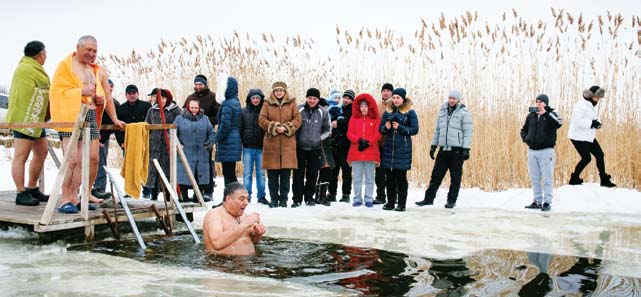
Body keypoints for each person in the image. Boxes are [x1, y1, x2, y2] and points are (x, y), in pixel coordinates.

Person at [50, 35, 124, 213]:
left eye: (95, 51)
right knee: (72, 159)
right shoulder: (66, 66)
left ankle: (76, 196)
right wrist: (80, 91)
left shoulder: (95, 69)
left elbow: (106, 95)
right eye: (88, 50)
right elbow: (56, 91)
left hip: (90, 115)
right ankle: (64, 198)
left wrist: (107, 110)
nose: (92, 54)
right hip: (72, 115)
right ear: (78, 47)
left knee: (88, 159)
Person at [7, 40, 50, 206]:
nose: (46, 57)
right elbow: (26, 93)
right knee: (21, 155)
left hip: (36, 119)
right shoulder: (24, 69)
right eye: (45, 54)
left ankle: (32, 187)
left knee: (42, 151)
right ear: (40, 55)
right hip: (23, 117)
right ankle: (20, 192)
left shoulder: (36, 69)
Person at [416, 89, 473, 209]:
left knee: (455, 177)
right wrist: (433, 146)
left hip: (456, 150)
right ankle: (428, 199)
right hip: (443, 150)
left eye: (454, 98)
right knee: (436, 175)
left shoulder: (464, 113)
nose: (451, 100)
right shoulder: (442, 111)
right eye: (450, 98)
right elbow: (438, 131)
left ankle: (451, 201)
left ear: (458, 100)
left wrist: (466, 148)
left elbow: (468, 132)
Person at [258, 81, 301, 208]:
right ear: (273, 91)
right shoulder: (267, 104)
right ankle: (274, 200)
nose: (278, 93)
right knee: (272, 176)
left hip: (288, 145)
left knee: (285, 176)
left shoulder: (292, 103)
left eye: (281, 90)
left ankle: (283, 200)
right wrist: (274, 127)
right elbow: (261, 119)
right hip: (272, 144)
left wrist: (287, 127)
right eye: (276, 90)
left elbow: (298, 119)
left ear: (285, 91)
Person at [520, 94, 563, 212]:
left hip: (546, 151)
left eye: (541, 101)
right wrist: (526, 138)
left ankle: (547, 202)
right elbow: (524, 130)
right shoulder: (531, 116)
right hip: (532, 151)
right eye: (537, 101)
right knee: (535, 177)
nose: (538, 103)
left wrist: (545, 113)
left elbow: (558, 124)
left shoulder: (552, 114)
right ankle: (537, 201)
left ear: (546, 103)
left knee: (547, 177)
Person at [567, 85, 616, 187]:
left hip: (588, 135)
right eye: (596, 97)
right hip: (577, 136)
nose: (598, 100)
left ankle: (604, 180)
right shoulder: (580, 105)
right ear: (591, 95)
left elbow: (593, 118)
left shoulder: (592, 105)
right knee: (586, 158)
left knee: (600, 155)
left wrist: (597, 123)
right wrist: (591, 123)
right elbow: (576, 121)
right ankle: (574, 178)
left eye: (599, 98)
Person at [379, 88, 419, 212]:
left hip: (403, 150)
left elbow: (415, 129)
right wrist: (385, 127)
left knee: (401, 178)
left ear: (403, 99)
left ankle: (401, 204)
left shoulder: (410, 112)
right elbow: (380, 128)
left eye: (398, 98)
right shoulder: (388, 111)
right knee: (389, 178)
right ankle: (390, 203)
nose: (396, 100)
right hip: (389, 149)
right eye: (394, 98)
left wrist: (400, 127)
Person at [203, 182, 267, 256]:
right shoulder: (214, 215)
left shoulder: (243, 215)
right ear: (229, 199)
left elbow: (252, 241)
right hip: (222, 263)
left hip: (248, 262)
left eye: (247, 199)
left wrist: (257, 234)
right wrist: (245, 224)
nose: (246, 202)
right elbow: (217, 243)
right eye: (242, 199)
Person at [292, 88, 331, 207]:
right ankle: (297, 199)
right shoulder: (299, 109)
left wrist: (319, 138)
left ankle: (309, 198)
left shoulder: (322, 112)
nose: (312, 100)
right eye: (310, 98)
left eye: (314, 98)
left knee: (312, 174)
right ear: (306, 98)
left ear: (318, 99)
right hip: (300, 148)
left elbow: (328, 129)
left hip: (315, 148)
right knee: (298, 175)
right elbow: (292, 125)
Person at [185, 74, 220, 200]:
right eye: (196, 84)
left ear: (205, 85)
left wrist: (205, 120)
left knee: (206, 164)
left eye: (200, 84)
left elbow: (218, 115)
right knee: (192, 164)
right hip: (190, 136)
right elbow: (184, 112)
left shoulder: (212, 97)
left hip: (205, 134)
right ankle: (195, 190)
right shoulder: (191, 97)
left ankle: (208, 191)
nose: (198, 86)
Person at [115, 84, 152, 197]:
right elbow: (117, 127)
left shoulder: (146, 106)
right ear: (126, 95)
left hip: (143, 141)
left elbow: (150, 123)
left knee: (145, 164)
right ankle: (130, 190)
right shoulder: (121, 108)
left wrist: (148, 139)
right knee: (130, 166)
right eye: (129, 94)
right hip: (128, 143)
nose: (131, 95)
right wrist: (121, 142)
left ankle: (146, 189)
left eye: (133, 93)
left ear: (137, 94)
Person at [145, 88, 181, 200]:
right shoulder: (152, 110)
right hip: (154, 145)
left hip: (167, 146)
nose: (162, 100)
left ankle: (169, 196)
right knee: (154, 170)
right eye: (160, 98)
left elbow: (179, 126)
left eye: (164, 98)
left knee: (168, 171)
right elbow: (147, 124)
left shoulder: (175, 110)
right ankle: (153, 195)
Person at [176, 98, 215, 202]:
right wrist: (178, 144)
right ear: (188, 107)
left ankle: (198, 195)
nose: (194, 110)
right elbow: (172, 133)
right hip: (185, 151)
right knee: (184, 173)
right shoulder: (179, 118)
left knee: (199, 174)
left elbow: (211, 132)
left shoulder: (205, 119)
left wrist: (209, 143)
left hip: (201, 152)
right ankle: (183, 195)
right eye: (192, 108)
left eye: (196, 108)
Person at [347, 93, 381, 208]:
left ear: (369, 107)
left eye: (366, 106)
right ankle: (357, 198)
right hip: (356, 151)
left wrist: (368, 143)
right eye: (361, 106)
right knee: (357, 177)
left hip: (370, 152)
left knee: (370, 177)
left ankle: (368, 198)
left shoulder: (375, 119)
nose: (363, 108)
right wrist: (358, 140)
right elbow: (349, 134)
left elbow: (378, 134)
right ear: (358, 107)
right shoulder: (353, 118)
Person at [240, 88, 269, 205]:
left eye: (258, 98)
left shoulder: (265, 112)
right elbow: (240, 128)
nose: (256, 100)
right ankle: (247, 196)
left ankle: (261, 196)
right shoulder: (243, 112)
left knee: (261, 173)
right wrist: (243, 140)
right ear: (249, 99)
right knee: (247, 173)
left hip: (262, 147)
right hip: (248, 147)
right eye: (253, 98)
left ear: (261, 99)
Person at [92, 79, 120, 200]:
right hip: (90, 135)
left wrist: (102, 139)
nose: (109, 88)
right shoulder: (94, 101)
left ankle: (99, 188)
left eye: (111, 86)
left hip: (103, 137)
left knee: (100, 163)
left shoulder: (114, 103)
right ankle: (86, 189)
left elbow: (112, 124)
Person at [215, 77, 242, 185]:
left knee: (228, 173)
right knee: (230, 172)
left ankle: (232, 197)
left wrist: (217, 137)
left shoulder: (227, 104)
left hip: (227, 141)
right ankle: (230, 197)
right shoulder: (235, 102)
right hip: (234, 140)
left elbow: (225, 125)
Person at [329, 89, 354, 204]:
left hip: (347, 145)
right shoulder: (337, 108)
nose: (346, 100)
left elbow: (350, 124)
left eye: (349, 98)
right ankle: (332, 193)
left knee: (346, 171)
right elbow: (330, 121)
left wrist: (338, 123)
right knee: (333, 170)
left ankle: (346, 194)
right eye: (345, 98)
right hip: (335, 144)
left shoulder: (353, 111)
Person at [373, 83, 394, 205]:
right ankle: (380, 195)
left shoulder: (396, 104)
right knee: (379, 172)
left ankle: (394, 195)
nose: (385, 93)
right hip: (378, 144)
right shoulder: (377, 105)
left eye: (388, 90)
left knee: (392, 171)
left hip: (391, 144)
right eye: (384, 90)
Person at [315, 96, 334, 206]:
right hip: (320, 148)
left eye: (327, 107)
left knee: (326, 173)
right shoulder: (319, 118)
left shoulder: (327, 117)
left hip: (327, 149)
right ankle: (319, 196)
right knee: (322, 173)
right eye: (324, 107)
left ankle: (321, 196)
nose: (326, 109)